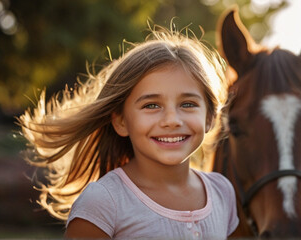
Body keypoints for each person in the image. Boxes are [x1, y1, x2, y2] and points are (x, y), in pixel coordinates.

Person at [18, 25, 238, 239]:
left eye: (188, 104)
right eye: (151, 105)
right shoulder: (103, 202)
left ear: (210, 117)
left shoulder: (222, 192)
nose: (172, 121)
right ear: (121, 121)